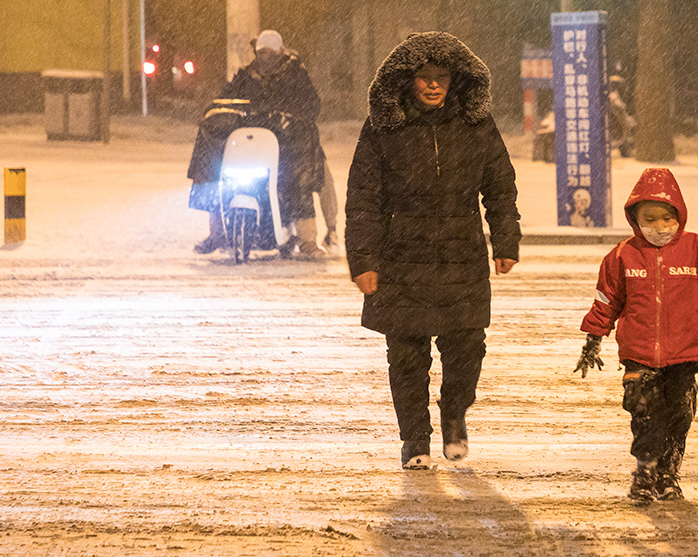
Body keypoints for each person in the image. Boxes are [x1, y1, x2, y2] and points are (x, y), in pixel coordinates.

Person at [345, 31, 521, 470]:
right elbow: (363, 198)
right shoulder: (383, 129)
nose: (432, 84)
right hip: (400, 258)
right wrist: (363, 261)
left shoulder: (476, 124)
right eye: (423, 76)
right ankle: (415, 442)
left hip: (462, 255)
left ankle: (455, 417)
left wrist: (505, 240)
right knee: (406, 358)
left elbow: (499, 188)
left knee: (467, 349)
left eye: (441, 75)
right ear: (407, 81)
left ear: (455, 79)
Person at [574, 168, 698, 502]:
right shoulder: (622, 256)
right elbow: (607, 299)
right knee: (645, 413)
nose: (660, 227)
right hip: (638, 354)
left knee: (679, 413)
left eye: (667, 218)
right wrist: (593, 337)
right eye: (650, 219)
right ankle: (645, 470)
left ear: (679, 215)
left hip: (684, 355)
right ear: (635, 218)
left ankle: (669, 474)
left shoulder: (696, 250)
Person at [189, 29, 327, 260]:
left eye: (271, 52)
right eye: (262, 52)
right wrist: (220, 111)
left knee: (298, 181)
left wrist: (288, 115)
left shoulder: (295, 75)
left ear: (280, 51)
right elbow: (226, 99)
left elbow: (311, 106)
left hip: (285, 145)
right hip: (250, 145)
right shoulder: (246, 75)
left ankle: (307, 240)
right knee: (214, 172)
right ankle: (217, 233)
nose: (266, 57)